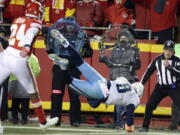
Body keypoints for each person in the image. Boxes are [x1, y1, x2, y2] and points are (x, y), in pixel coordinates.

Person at [47, 28, 144, 132]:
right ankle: (63, 67)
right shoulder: (135, 98)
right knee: (70, 81)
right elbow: (129, 111)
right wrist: (129, 126)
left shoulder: (124, 81)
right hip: (101, 92)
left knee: (80, 62)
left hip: (102, 80)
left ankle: (65, 43)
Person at [0, 1, 58, 129]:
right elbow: (30, 33)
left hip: (6, 55)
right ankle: (43, 122)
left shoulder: (17, 20)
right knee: (33, 92)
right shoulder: (35, 23)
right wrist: (26, 46)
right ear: (37, 11)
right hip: (19, 58)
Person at [44, 17, 93, 127]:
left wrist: (84, 49)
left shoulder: (82, 36)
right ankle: (55, 119)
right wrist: (46, 42)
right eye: (69, 25)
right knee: (56, 94)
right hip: (59, 67)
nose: (70, 27)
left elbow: (89, 53)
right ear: (65, 25)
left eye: (72, 25)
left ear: (75, 26)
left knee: (74, 95)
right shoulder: (57, 35)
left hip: (74, 68)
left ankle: (75, 120)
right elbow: (49, 50)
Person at [99, 29, 141, 129]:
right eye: (121, 37)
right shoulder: (114, 50)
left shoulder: (133, 50)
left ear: (128, 39)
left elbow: (137, 66)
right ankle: (118, 122)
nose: (123, 39)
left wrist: (136, 60)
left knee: (121, 103)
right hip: (115, 78)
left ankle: (120, 123)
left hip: (126, 78)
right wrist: (103, 58)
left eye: (125, 38)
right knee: (117, 102)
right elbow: (111, 64)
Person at [139, 40, 180, 132]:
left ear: (173, 51)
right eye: (166, 50)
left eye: (170, 50)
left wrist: (169, 67)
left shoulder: (177, 60)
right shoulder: (157, 59)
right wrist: (141, 84)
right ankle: (145, 127)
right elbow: (148, 72)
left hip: (173, 86)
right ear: (163, 50)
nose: (168, 52)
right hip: (160, 87)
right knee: (149, 106)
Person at [8, 54, 41, 125]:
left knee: (17, 102)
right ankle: (23, 120)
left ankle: (17, 119)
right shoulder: (33, 58)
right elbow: (37, 70)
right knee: (23, 102)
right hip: (22, 83)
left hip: (16, 82)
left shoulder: (15, 57)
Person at [0, 27, 9, 122]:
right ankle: (4, 116)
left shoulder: (4, 42)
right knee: (3, 95)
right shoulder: (5, 41)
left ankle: (3, 116)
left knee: (3, 95)